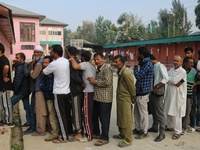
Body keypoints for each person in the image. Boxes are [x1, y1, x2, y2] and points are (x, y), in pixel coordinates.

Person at [43, 45, 73, 143]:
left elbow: (44, 72)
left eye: (51, 51)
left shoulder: (54, 64)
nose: (50, 53)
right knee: (66, 114)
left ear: (55, 53)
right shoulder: (66, 61)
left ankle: (64, 138)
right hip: (67, 92)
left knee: (60, 115)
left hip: (58, 93)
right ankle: (67, 133)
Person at [69, 51, 96, 142]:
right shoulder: (92, 66)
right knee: (88, 114)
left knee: (86, 115)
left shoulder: (85, 64)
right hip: (91, 91)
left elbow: (75, 67)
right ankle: (89, 133)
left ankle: (89, 136)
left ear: (83, 57)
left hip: (87, 92)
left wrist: (72, 59)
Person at [87, 52, 113, 146]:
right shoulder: (98, 68)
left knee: (104, 118)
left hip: (105, 98)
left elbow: (107, 82)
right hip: (97, 97)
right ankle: (97, 133)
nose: (96, 61)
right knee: (95, 116)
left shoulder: (107, 67)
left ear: (103, 58)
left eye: (98, 59)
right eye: (95, 60)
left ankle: (105, 137)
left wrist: (94, 81)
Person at [112, 55, 136, 148]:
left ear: (121, 62)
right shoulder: (120, 71)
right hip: (120, 98)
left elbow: (132, 87)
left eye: (117, 62)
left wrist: (133, 97)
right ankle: (122, 134)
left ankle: (128, 139)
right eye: (115, 61)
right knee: (121, 117)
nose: (115, 63)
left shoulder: (126, 73)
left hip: (125, 99)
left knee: (126, 119)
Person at [164, 55, 187, 140]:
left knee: (176, 113)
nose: (175, 62)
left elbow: (175, 82)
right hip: (170, 93)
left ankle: (178, 131)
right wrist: (171, 80)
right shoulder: (171, 70)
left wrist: (170, 79)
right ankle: (170, 127)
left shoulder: (183, 71)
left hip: (178, 96)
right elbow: (167, 79)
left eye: (177, 61)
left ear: (181, 62)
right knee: (169, 111)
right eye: (174, 60)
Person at [133, 47, 153, 139]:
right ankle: (138, 128)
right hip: (139, 91)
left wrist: (136, 66)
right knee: (136, 112)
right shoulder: (143, 63)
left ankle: (145, 132)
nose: (136, 55)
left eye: (138, 53)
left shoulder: (148, 64)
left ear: (141, 54)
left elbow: (139, 76)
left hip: (143, 92)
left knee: (143, 113)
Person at [148, 54, 169, 142]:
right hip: (152, 93)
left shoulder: (160, 66)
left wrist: (157, 87)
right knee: (153, 111)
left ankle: (162, 133)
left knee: (160, 113)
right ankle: (155, 127)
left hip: (158, 93)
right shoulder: (153, 66)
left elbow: (166, 78)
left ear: (151, 60)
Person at [40, 55, 60, 141]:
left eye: (46, 63)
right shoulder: (47, 72)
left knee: (52, 115)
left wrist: (41, 87)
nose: (44, 64)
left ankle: (55, 133)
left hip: (51, 97)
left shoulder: (50, 74)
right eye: (43, 63)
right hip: (49, 96)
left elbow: (49, 87)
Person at [29, 45, 47, 136]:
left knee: (39, 110)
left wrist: (31, 67)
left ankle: (41, 130)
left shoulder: (39, 63)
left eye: (37, 52)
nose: (35, 54)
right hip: (42, 87)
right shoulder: (42, 61)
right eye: (34, 52)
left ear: (41, 53)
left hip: (39, 88)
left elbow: (33, 76)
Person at [67, 46, 84, 140]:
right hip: (77, 90)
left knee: (76, 112)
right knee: (76, 111)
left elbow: (75, 77)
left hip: (75, 90)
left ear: (69, 53)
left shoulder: (72, 62)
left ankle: (79, 132)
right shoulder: (77, 61)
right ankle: (78, 130)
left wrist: (81, 83)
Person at [11, 53, 30, 127]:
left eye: (17, 58)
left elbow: (17, 81)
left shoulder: (19, 68)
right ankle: (29, 122)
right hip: (25, 90)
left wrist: (15, 91)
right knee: (27, 106)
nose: (15, 59)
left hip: (21, 91)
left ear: (22, 59)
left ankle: (8, 120)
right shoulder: (23, 66)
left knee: (9, 103)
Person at [182, 56, 200, 134]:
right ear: (185, 63)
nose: (192, 64)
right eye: (190, 63)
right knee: (180, 111)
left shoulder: (195, 72)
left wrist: (195, 84)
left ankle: (184, 127)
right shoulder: (181, 70)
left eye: (192, 63)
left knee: (187, 111)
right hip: (180, 94)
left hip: (189, 95)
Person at [0, 43, 13, 126]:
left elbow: (6, 67)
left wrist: (4, 76)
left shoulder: (3, 59)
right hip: (1, 87)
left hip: (4, 86)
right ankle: (4, 120)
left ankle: (9, 122)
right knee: (3, 104)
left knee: (6, 104)